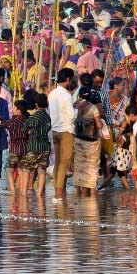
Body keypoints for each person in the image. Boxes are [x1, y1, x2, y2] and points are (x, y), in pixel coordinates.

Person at [48, 68, 77, 201]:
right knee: (63, 163)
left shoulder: (52, 94)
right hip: (66, 131)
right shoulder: (66, 95)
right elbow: (71, 115)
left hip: (55, 130)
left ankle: (57, 191)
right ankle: (58, 194)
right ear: (68, 79)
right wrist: (78, 110)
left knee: (58, 162)